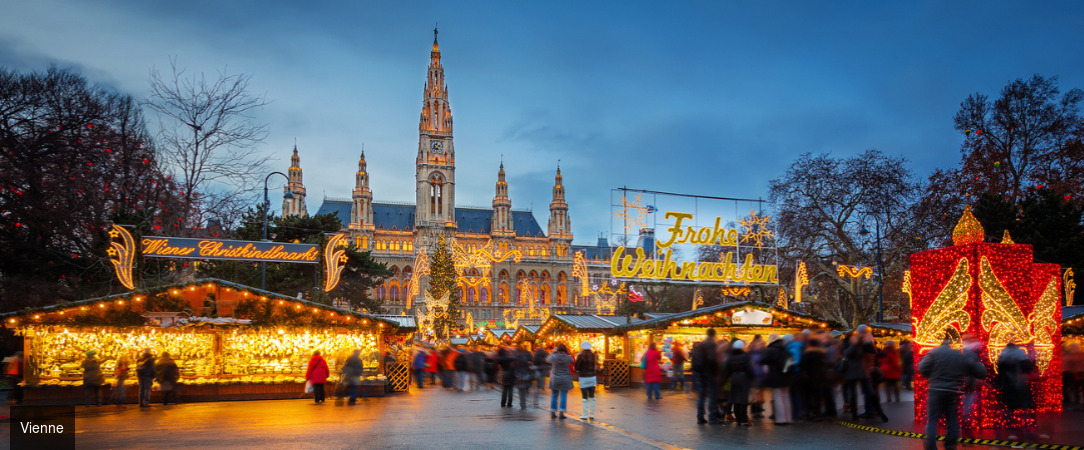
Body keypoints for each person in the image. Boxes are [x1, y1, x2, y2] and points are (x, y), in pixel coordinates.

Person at [918, 336, 987, 450]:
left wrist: (932, 376)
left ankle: (931, 446)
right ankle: (950, 445)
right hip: (953, 392)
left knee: (932, 420)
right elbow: (980, 372)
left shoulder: (933, 352)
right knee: (952, 420)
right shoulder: (959, 354)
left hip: (935, 391)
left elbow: (922, 368)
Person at [996, 341, 1037, 441]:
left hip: (1009, 386)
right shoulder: (1021, 354)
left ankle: (1011, 430)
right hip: (1020, 384)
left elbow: (1000, 371)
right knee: (1026, 407)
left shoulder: (1004, 355)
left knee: (1010, 408)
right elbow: (1028, 367)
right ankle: (1027, 428)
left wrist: (1000, 385)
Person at [761, 334, 793, 424]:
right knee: (786, 397)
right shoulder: (785, 349)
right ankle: (788, 418)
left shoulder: (771, 350)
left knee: (778, 397)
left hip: (776, 376)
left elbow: (763, 360)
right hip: (786, 376)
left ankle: (781, 419)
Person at [694, 328, 721, 424]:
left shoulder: (702, 344)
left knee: (701, 395)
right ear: (714, 335)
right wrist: (716, 369)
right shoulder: (711, 344)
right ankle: (712, 416)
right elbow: (712, 358)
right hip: (709, 372)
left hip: (700, 372)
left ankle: (700, 416)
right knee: (712, 394)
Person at [724, 340, 755, 426]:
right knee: (743, 399)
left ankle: (738, 419)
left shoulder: (731, 356)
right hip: (744, 378)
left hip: (734, 378)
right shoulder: (745, 356)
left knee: (735, 398)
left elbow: (727, 369)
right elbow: (749, 368)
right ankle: (744, 419)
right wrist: (752, 377)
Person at [546, 343, 575, 419]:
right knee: (563, 395)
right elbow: (572, 360)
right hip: (565, 378)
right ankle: (561, 413)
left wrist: (553, 352)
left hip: (555, 378)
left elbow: (547, 359)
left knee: (554, 395)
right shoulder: (568, 357)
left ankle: (553, 412)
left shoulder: (554, 356)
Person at [575, 341, 599, 421]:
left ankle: (585, 414)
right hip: (592, 377)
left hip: (583, 377)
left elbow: (577, 367)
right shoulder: (593, 355)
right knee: (592, 396)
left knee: (584, 396)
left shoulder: (580, 355)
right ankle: (591, 414)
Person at [514, 344, 534, 409]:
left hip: (518, 374)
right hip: (525, 374)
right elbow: (530, 363)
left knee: (521, 390)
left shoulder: (515, 355)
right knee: (524, 389)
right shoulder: (526, 355)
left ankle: (522, 404)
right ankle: (523, 403)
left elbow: (514, 365)